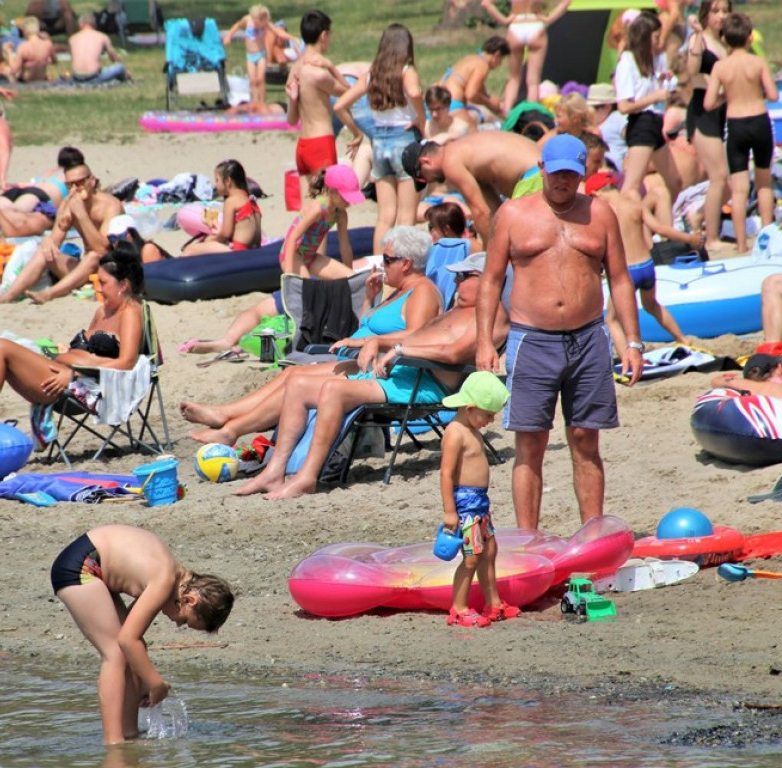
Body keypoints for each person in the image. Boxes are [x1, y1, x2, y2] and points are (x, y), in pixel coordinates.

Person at [232, 249, 508, 500]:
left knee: (334, 389)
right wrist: (377, 343)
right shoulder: (458, 310)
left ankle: (307, 477)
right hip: (405, 374)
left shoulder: (492, 318)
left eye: (463, 276)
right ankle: (275, 471)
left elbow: (452, 352)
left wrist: (398, 348)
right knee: (300, 383)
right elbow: (420, 336)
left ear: (487, 279)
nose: (456, 282)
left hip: (426, 385)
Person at [476, 134, 644, 530]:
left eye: (571, 174)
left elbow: (620, 279)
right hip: (533, 339)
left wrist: (633, 342)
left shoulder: (600, 214)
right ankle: (527, 540)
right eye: (555, 174)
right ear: (541, 171)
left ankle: (592, 534)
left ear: (583, 172)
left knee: (586, 439)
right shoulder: (514, 215)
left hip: (588, 339)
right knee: (530, 443)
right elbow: (490, 280)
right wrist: (485, 340)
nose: (562, 182)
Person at [181, 227, 442, 443]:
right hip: (363, 362)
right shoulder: (397, 291)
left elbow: (415, 336)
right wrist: (369, 300)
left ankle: (231, 429)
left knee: (298, 382)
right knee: (293, 373)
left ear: (406, 264)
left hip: (388, 373)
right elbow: (368, 325)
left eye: (387, 260)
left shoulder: (422, 292)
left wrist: (368, 341)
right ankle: (224, 415)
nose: (382, 266)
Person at [0, 243, 144, 432]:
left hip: (76, 388)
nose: (99, 288)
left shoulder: (131, 312)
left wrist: (76, 373)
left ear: (123, 285)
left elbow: (127, 363)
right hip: (59, 374)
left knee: (1, 347)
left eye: (103, 283)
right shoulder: (103, 311)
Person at [50, 524, 233, 744]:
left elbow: (130, 633)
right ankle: (114, 745)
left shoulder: (174, 578)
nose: (176, 624)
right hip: (81, 565)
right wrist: (156, 683)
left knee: (133, 651)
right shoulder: (165, 579)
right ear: (189, 601)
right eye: (184, 620)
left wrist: (144, 680)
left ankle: (129, 734)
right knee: (116, 653)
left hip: (91, 563)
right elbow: (127, 640)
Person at [586, 170, 702, 353]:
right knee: (652, 305)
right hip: (647, 266)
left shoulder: (605, 213)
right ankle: (682, 338)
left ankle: (626, 358)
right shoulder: (636, 206)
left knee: (612, 319)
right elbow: (661, 229)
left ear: (596, 194)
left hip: (627, 272)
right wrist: (689, 239)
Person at [333, 23, 425, 254]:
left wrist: (358, 132)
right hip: (404, 141)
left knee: (385, 216)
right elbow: (414, 92)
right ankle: (401, 264)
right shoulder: (406, 71)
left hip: (380, 143)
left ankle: (378, 265)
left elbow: (341, 105)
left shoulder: (372, 74)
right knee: (406, 215)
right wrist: (420, 118)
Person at [0, 162, 124, 305]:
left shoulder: (110, 206)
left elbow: (103, 250)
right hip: (85, 271)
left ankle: (48, 294)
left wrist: (81, 214)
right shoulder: (70, 204)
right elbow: (54, 243)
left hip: (110, 270)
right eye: (70, 185)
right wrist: (48, 240)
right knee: (45, 251)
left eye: (80, 182)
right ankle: (9, 295)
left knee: (94, 256)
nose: (76, 188)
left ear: (92, 181)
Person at [439, 371, 514, 629]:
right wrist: (450, 511)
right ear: (470, 408)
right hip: (465, 505)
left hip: (481, 503)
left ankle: (492, 602)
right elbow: (446, 474)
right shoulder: (455, 432)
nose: (490, 420)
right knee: (471, 557)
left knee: (490, 552)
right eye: (488, 414)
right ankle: (458, 608)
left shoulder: (472, 428)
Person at [703, 12, 778, 255]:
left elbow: (708, 103)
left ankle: (742, 244)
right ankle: (767, 238)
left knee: (738, 189)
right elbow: (773, 95)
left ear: (725, 39)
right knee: (764, 183)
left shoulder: (720, 67)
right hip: (759, 120)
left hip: (735, 123)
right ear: (749, 37)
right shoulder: (757, 62)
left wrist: (730, 94)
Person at [402, 131, 542, 247]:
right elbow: (494, 212)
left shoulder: (450, 162)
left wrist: (488, 258)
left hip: (533, 177)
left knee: (525, 247)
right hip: (544, 169)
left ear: (426, 161)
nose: (428, 181)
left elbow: (481, 212)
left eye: (421, 177)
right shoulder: (464, 151)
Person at [286, 10, 362, 193]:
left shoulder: (295, 69)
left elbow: (291, 120)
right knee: (328, 203)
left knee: (308, 208)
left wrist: (293, 100)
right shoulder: (318, 73)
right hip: (321, 144)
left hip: (303, 145)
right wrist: (331, 67)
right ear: (324, 35)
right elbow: (350, 93)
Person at [614, 11, 680, 201]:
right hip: (641, 123)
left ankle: (668, 222)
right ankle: (622, 224)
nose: (659, 41)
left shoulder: (651, 61)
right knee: (631, 186)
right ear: (645, 36)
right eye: (656, 36)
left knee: (674, 181)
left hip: (655, 123)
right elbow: (624, 106)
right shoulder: (627, 62)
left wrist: (663, 81)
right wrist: (655, 96)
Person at [684, 1, 731, 251]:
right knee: (719, 176)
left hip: (725, 111)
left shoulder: (728, 41)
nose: (721, 16)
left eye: (725, 11)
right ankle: (712, 238)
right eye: (716, 11)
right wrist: (699, 37)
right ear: (706, 14)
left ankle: (699, 214)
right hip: (703, 111)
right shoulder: (698, 40)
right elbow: (692, 73)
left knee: (733, 181)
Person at [481, 1, 570, 114]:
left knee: (514, 78)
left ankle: (506, 113)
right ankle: (531, 115)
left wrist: (504, 20)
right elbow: (566, 2)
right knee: (533, 81)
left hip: (516, 25)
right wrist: (549, 19)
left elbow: (486, 3)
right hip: (535, 24)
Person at [280, 164, 363, 278]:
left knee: (349, 277)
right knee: (307, 286)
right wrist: (288, 275)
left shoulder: (341, 215)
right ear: (332, 190)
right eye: (345, 197)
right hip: (293, 255)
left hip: (312, 257)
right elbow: (292, 238)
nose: (349, 202)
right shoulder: (317, 209)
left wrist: (351, 279)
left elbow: (345, 246)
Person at [0, 146, 83, 238]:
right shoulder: (71, 175)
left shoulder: (48, 172)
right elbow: (78, 193)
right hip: (37, 194)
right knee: (15, 212)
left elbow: (28, 184)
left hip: (19, 191)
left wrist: (11, 185)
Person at [181, 159, 262, 256]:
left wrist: (210, 241)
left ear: (228, 181)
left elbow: (225, 234)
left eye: (217, 180)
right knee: (209, 240)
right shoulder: (251, 200)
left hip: (238, 250)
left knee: (190, 249)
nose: (215, 185)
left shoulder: (231, 201)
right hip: (254, 249)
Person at [222, 5, 297, 108]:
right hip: (250, 56)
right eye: (257, 23)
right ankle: (255, 102)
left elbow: (279, 32)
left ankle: (262, 103)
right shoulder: (247, 20)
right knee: (253, 80)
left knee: (260, 79)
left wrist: (293, 38)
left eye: (261, 24)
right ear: (254, 18)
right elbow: (237, 26)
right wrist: (229, 36)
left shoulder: (265, 23)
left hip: (261, 55)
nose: (259, 26)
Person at [435, 35, 509, 122]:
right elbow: (471, 94)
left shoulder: (471, 58)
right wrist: (490, 103)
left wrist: (492, 102)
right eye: (501, 60)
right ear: (497, 55)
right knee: (480, 124)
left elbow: (480, 92)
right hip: (453, 104)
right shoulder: (483, 65)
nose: (500, 64)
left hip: (437, 99)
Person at [69, 13, 127, 84]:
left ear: (80, 25)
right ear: (94, 25)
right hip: (94, 77)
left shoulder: (72, 39)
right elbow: (113, 58)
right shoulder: (102, 36)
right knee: (119, 67)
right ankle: (125, 79)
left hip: (76, 78)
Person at [4, 16, 55, 83]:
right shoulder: (48, 44)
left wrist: (9, 52)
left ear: (25, 31)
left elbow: (14, 69)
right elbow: (55, 61)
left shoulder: (23, 47)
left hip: (26, 82)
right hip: (42, 79)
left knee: (5, 70)